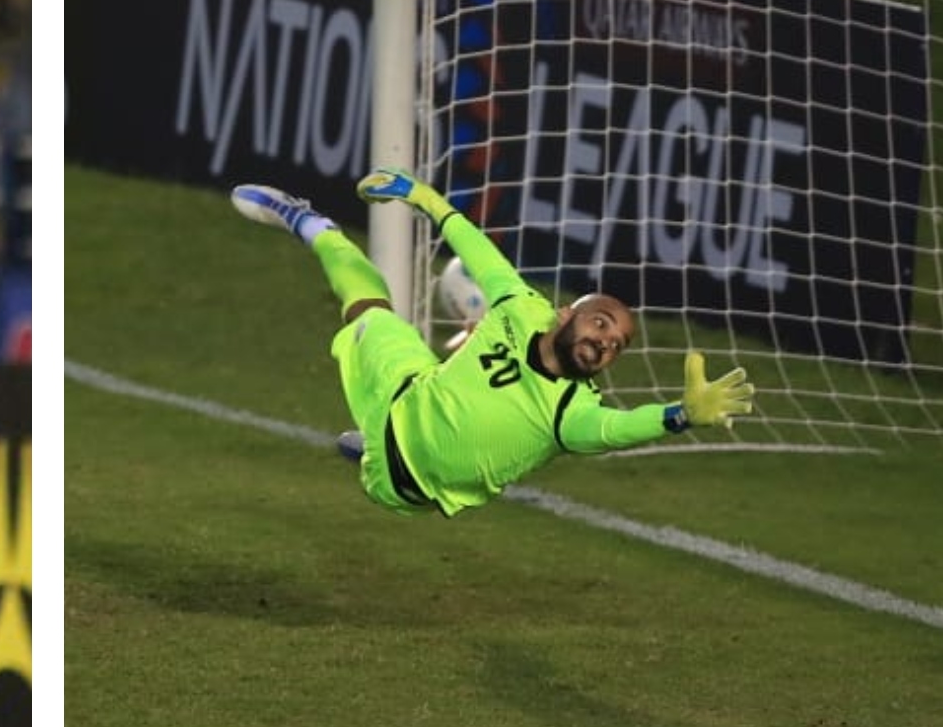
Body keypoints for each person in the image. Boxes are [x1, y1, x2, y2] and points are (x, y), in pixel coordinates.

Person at [228, 170, 757, 517]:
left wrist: (680, 415)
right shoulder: (522, 306)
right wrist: (424, 198)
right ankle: (310, 223)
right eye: (602, 324)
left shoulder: (571, 412)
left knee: (395, 417)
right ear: (567, 313)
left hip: (405, 484)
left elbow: (619, 429)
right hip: (407, 394)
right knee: (371, 310)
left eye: (617, 344)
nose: (605, 343)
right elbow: (479, 253)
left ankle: (372, 444)